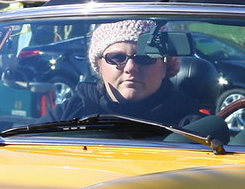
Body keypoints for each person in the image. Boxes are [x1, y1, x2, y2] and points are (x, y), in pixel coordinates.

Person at [43, 18, 206, 128]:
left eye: (146, 58)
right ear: (99, 65)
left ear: (167, 66)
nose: (130, 67)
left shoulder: (193, 128)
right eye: (116, 57)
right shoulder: (68, 114)